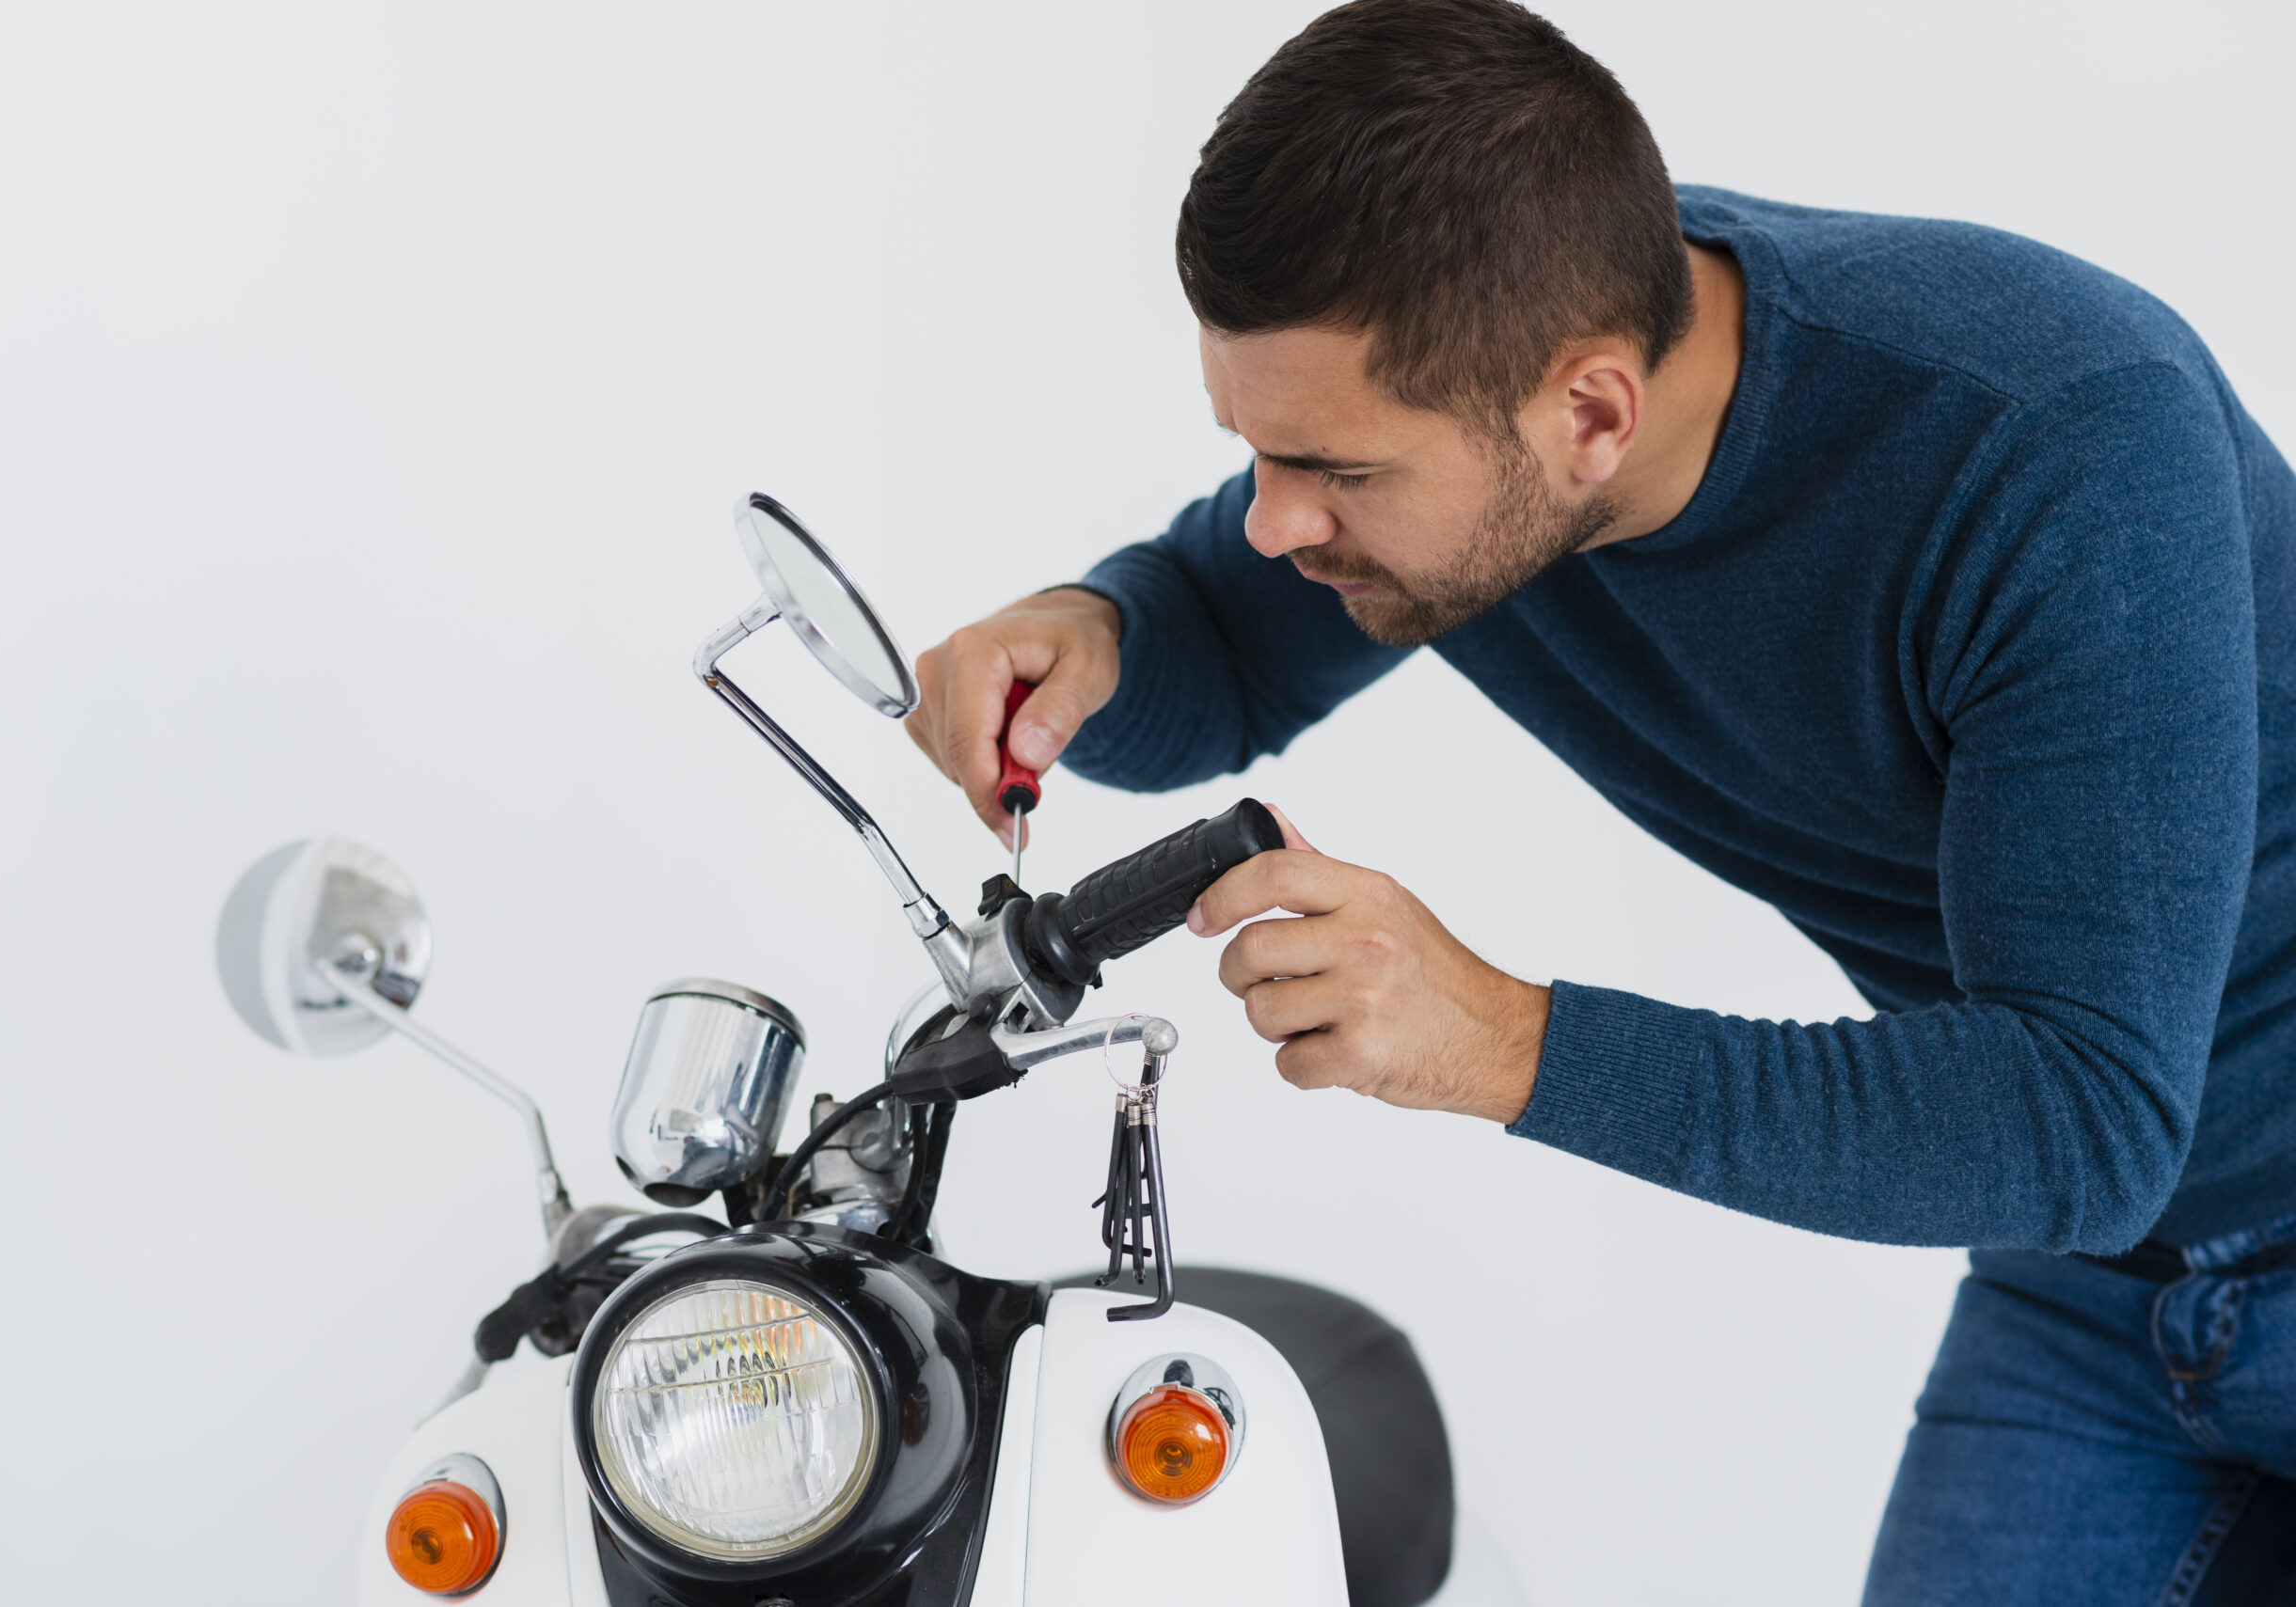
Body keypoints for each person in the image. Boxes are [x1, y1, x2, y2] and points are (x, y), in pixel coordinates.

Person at [900, 1, 2296, 1599]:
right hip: (2091, 1287)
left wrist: (1496, 1036)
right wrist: (1103, 628)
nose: (1274, 520)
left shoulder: (2053, 447)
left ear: (1592, 414)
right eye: (1253, 449)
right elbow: (1220, 651)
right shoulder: (1488, 382)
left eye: (1336, 472)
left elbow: (2082, 1117)